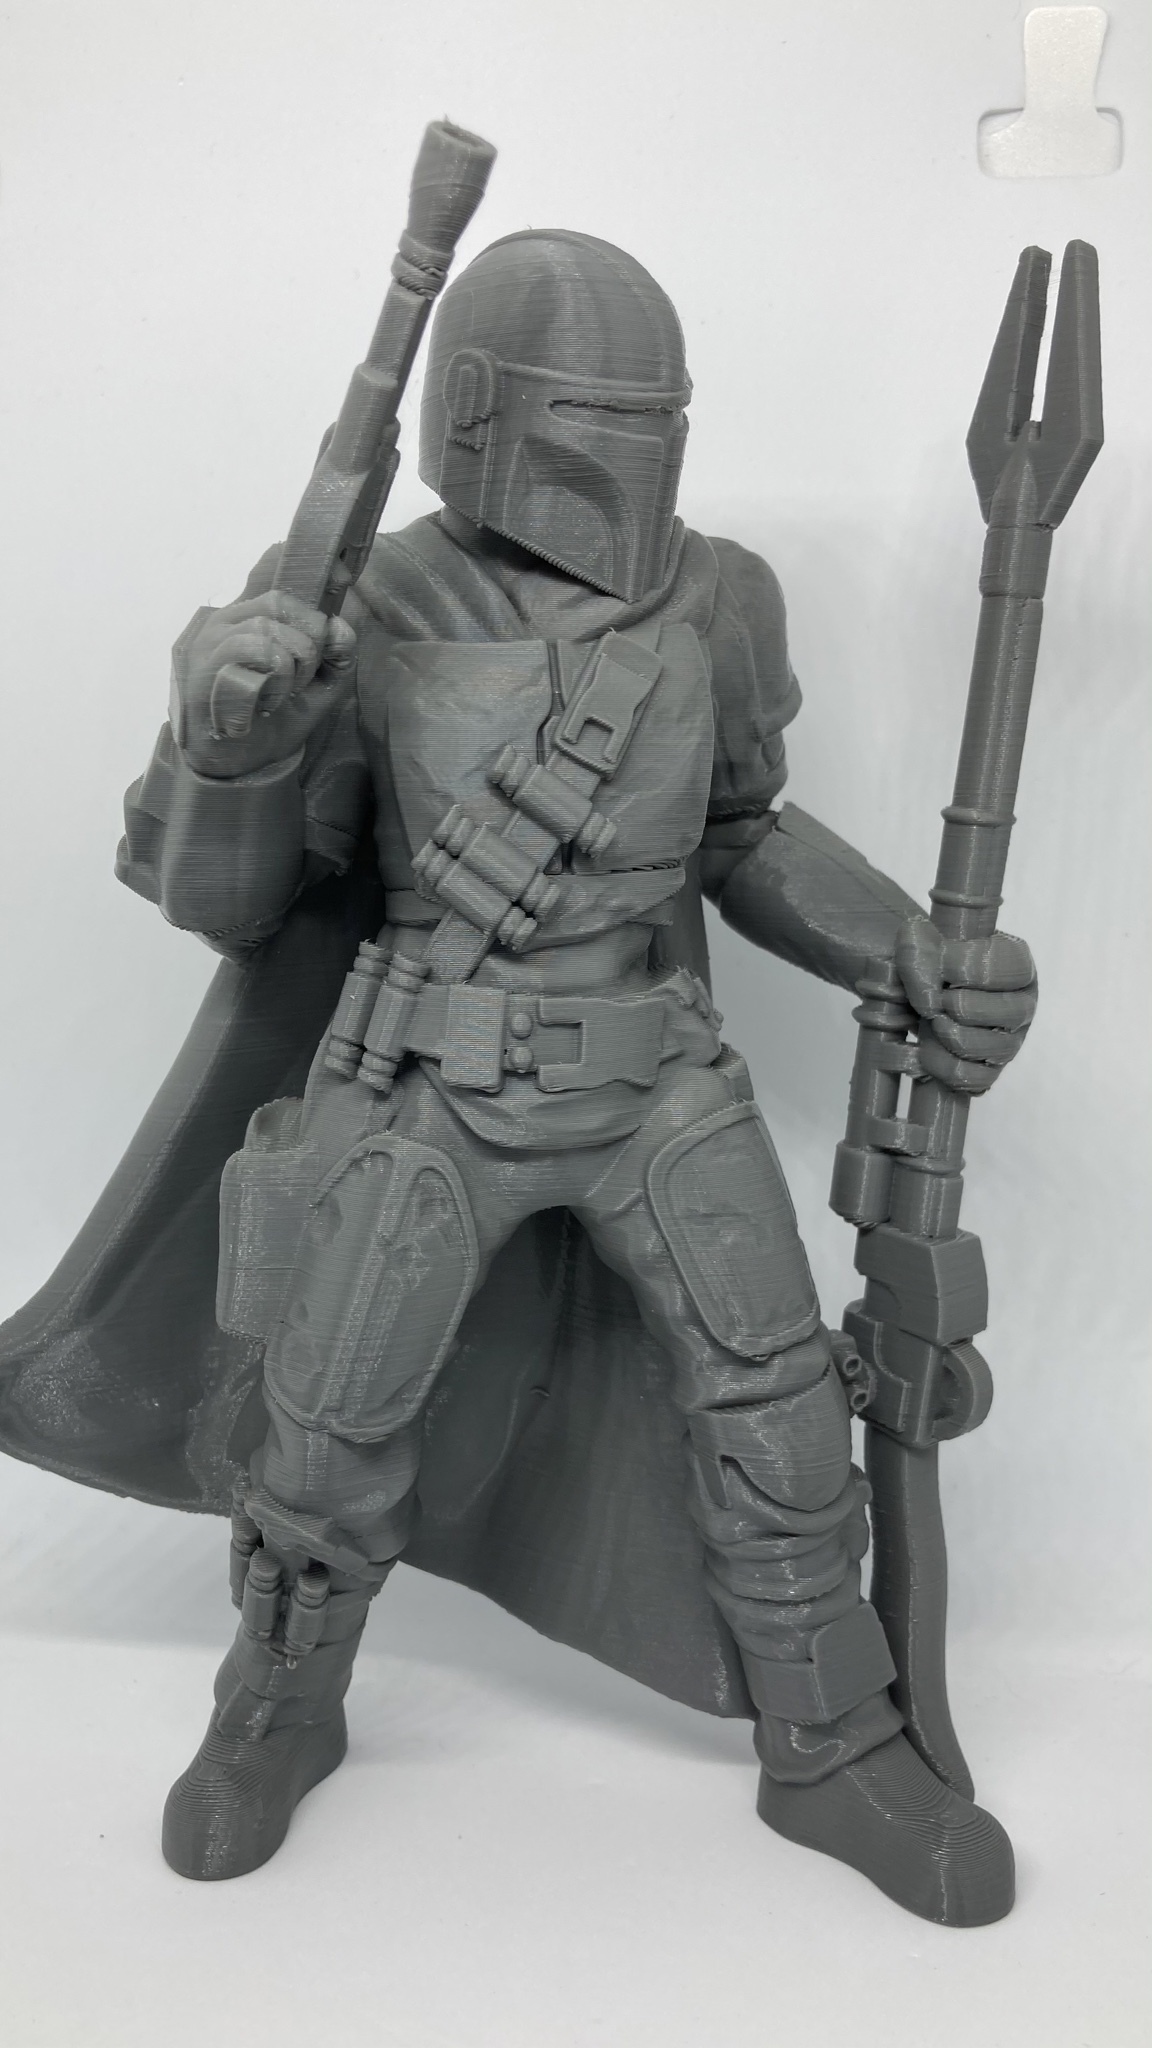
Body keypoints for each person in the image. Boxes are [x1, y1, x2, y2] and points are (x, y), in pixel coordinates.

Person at [10, 230, 1037, 1920]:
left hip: (655, 1076)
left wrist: (903, 950)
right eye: (598, 419)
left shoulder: (718, 598)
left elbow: (742, 834)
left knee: (782, 1419)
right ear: (480, 412)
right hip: (435, 1077)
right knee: (323, 1438)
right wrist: (232, 746)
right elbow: (234, 906)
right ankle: (279, 1704)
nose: (635, 457)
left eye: (658, 420)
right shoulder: (368, 601)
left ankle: (832, 1741)